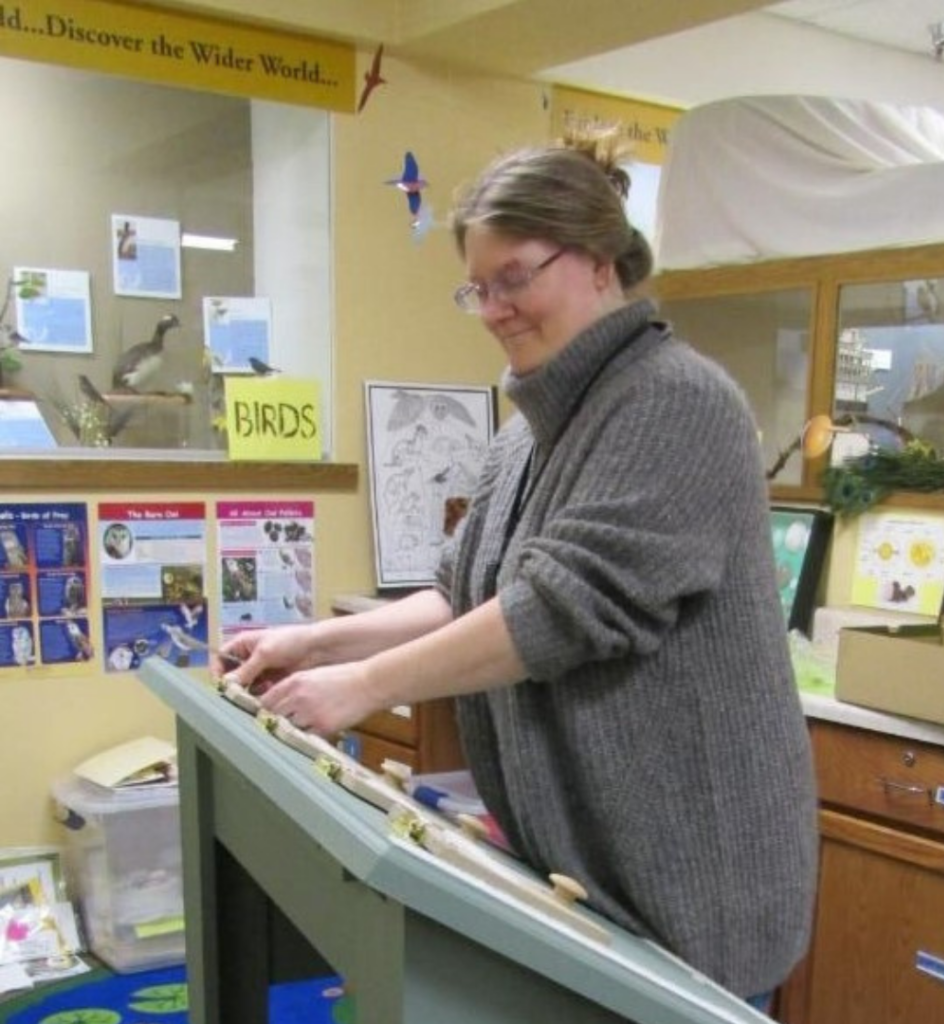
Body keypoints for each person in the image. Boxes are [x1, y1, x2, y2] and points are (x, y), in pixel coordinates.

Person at [218, 129, 818, 1008]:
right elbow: (463, 595)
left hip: (691, 879)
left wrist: (361, 688)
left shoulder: (676, 402)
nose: (494, 308)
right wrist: (314, 645)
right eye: (478, 288)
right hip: (586, 865)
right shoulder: (527, 433)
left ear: (600, 262)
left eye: (515, 278)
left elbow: (553, 611)